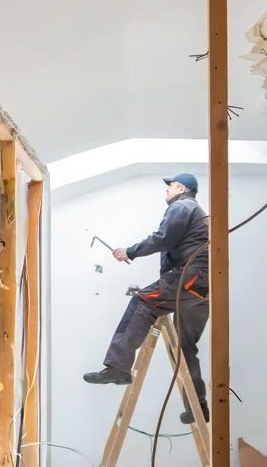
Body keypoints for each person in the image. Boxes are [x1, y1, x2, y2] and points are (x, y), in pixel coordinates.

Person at [83, 174, 211, 424]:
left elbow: (163, 238)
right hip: (202, 287)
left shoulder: (182, 206)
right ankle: (199, 406)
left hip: (190, 277)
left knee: (142, 301)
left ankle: (118, 368)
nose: (166, 191)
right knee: (184, 347)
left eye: (170, 187)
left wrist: (129, 251)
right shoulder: (197, 212)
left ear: (181, 188)